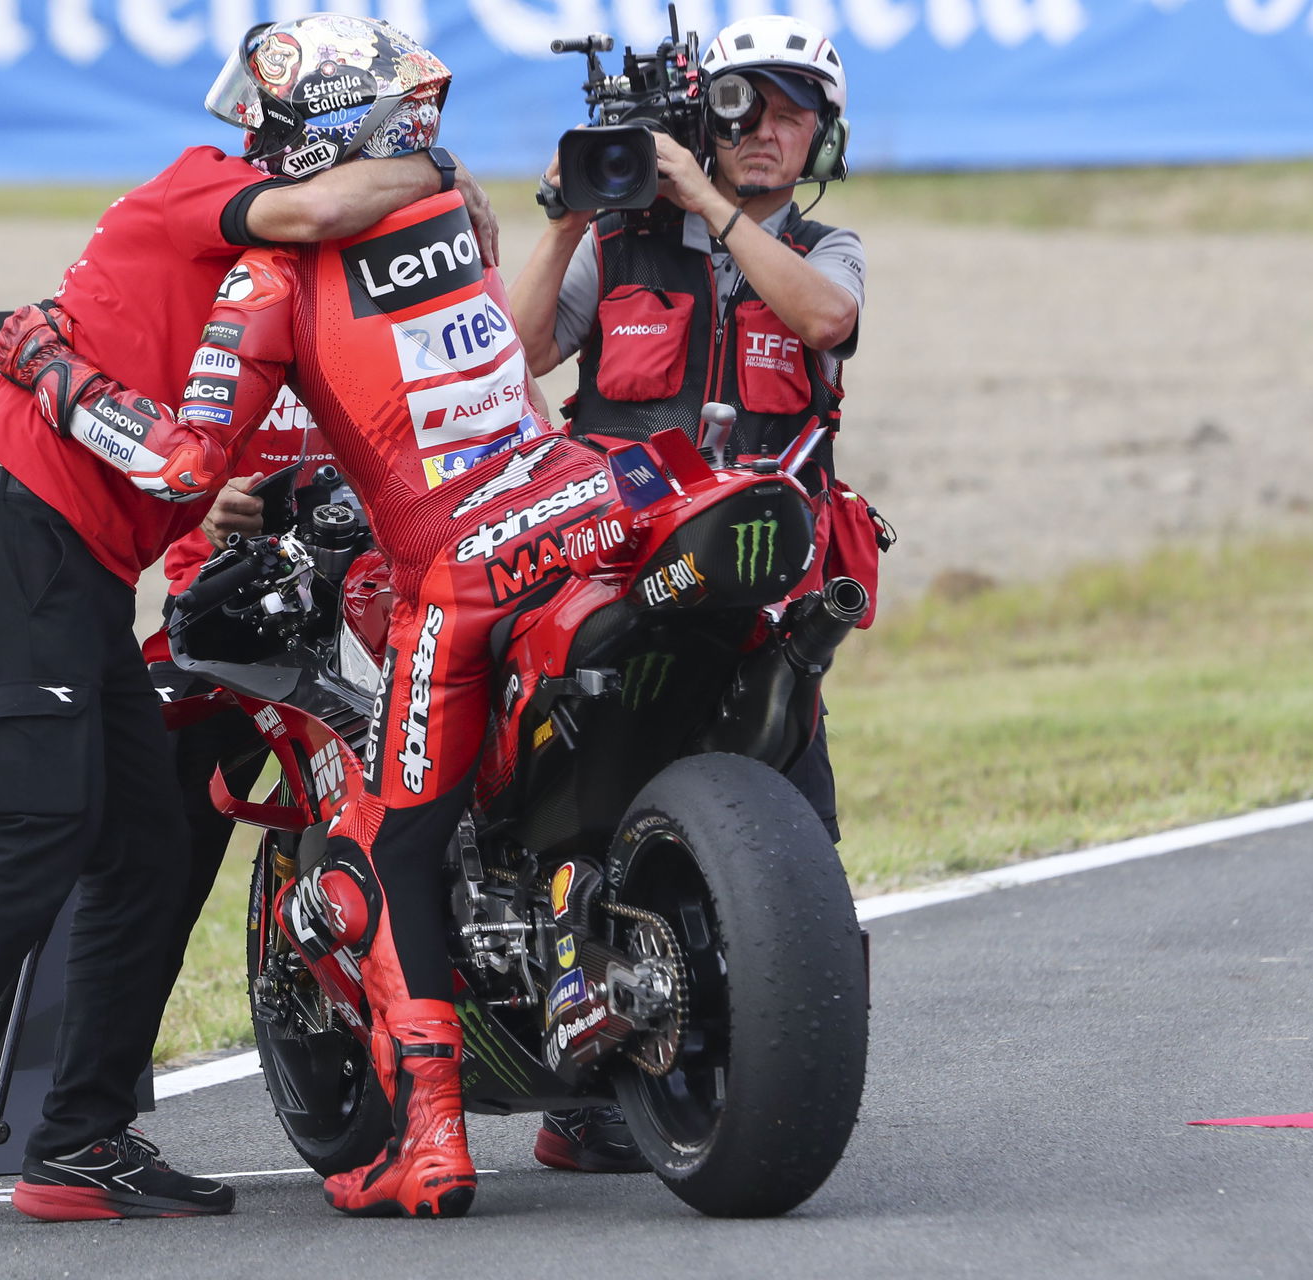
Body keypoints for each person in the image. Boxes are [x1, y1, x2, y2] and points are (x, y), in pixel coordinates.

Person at [0, 14, 502, 1240]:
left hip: (73, 548)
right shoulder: (211, 185)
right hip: (19, 528)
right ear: (347, 134)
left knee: (141, 845)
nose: (420, 153)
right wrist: (440, 174)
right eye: (403, 133)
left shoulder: (300, 231)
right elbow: (319, 214)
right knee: (46, 819)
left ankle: (79, 1139)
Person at [0, 16, 630, 1219]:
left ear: (315, 134)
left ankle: (432, 1130)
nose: (244, 139)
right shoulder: (459, 213)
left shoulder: (265, 271)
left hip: (441, 569)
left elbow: (180, 463)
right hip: (575, 502)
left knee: (387, 837)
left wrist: (53, 374)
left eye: (266, 121)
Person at [509, 11, 866, 1172]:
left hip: (757, 590)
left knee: (799, 840)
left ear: (823, 133)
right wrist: (569, 224)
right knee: (530, 760)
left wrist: (713, 213)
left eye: (792, 109)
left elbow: (827, 320)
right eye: (743, 104)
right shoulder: (620, 244)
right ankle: (560, 1059)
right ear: (702, 115)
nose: (766, 128)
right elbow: (511, 366)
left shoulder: (827, 247)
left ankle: (757, 1051)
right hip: (603, 566)